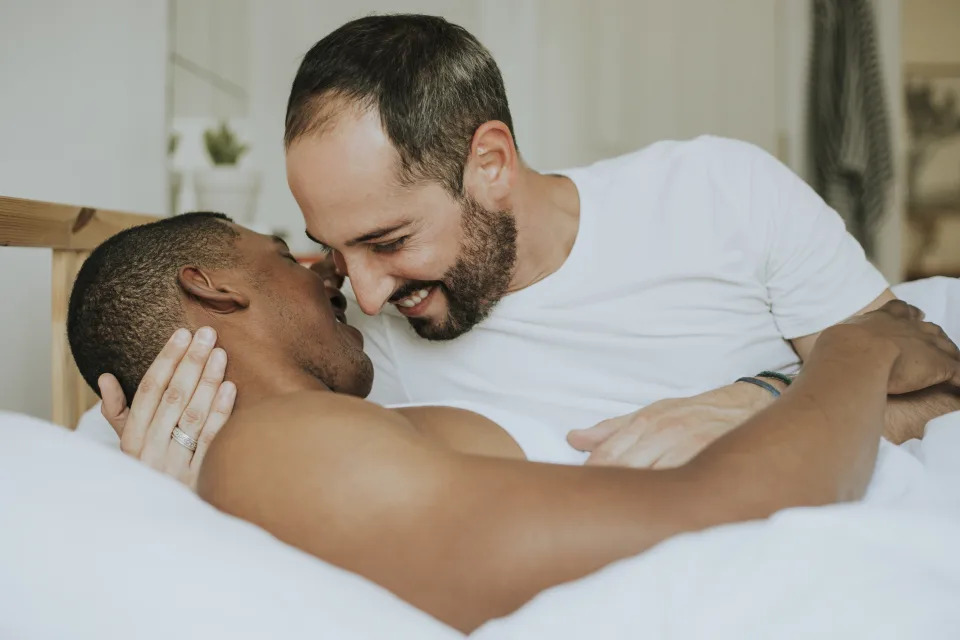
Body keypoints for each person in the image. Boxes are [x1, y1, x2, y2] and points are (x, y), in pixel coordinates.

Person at [99, 14, 959, 477]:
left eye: (389, 240)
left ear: (490, 162)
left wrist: (751, 404)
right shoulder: (358, 356)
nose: (360, 294)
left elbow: (936, 386)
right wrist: (163, 489)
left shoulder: (722, 193)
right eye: (330, 247)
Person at [68, 213, 960, 632]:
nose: (326, 270)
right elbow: (718, 515)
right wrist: (854, 350)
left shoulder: (325, 435)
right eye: (282, 252)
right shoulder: (277, 448)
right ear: (212, 286)